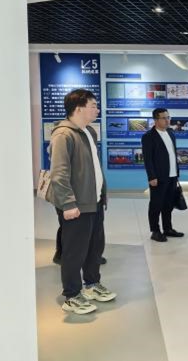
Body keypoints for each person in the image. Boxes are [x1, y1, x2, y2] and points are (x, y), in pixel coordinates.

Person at [47, 89, 116, 315]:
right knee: (74, 252)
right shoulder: (63, 135)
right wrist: (68, 204)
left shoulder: (89, 132)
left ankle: (92, 284)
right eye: (93, 105)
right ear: (78, 109)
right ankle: (72, 295)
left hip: (94, 202)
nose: (97, 109)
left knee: (95, 248)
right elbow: (59, 173)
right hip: (76, 205)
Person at [141, 108, 184, 242]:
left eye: (168, 117)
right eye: (164, 118)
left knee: (168, 204)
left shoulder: (170, 133)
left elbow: (172, 154)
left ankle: (168, 228)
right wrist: (151, 177)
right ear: (156, 120)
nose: (167, 120)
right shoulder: (149, 136)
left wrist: (176, 172)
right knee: (156, 204)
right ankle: (155, 231)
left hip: (172, 175)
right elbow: (148, 159)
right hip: (158, 177)